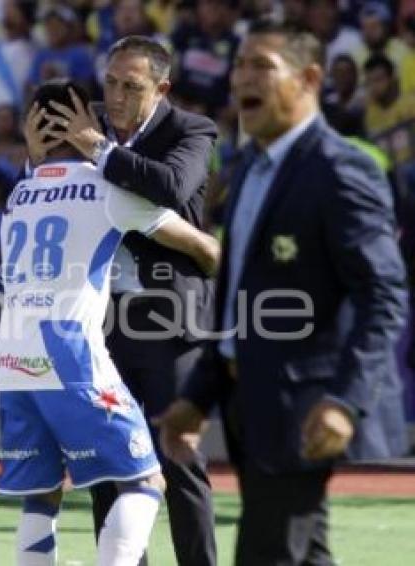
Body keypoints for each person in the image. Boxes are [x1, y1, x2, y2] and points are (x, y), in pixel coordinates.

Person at [156, 21, 408, 565]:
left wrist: (345, 400)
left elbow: (383, 295)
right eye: (240, 65)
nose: (242, 77)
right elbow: (236, 296)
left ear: (310, 78)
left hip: (306, 405)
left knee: (268, 554)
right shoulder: (247, 169)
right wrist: (199, 396)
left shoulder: (342, 170)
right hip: (250, 403)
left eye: (262, 67)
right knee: (303, 552)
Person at [0, 79, 220, 565]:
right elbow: (201, 248)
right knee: (145, 479)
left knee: (42, 493)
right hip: (71, 348)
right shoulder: (107, 189)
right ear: (87, 123)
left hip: (12, 355)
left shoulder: (19, 192)